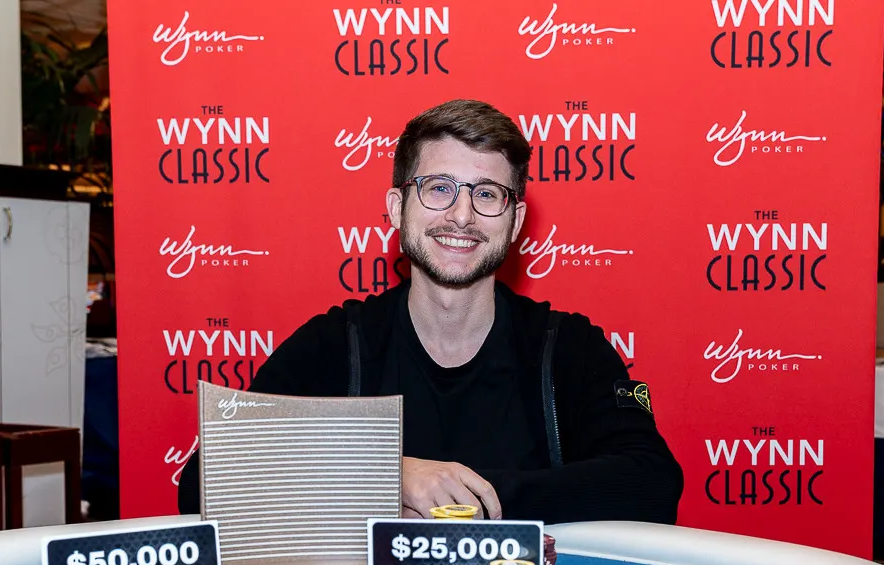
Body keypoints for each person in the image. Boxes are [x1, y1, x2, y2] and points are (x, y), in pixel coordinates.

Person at [177, 99, 684, 524]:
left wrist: (467, 501)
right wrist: (387, 475)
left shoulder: (569, 349)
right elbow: (205, 478)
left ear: (515, 222)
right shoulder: (335, 345)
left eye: (487, 194)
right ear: (397, 208)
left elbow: (653, 482)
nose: (462, 215)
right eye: (439, 188)